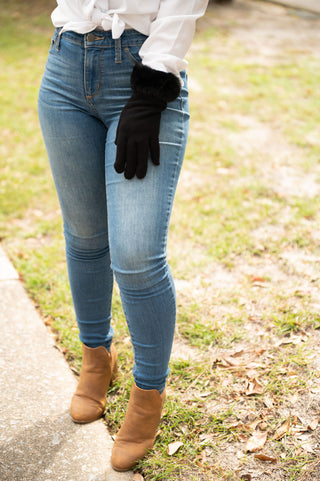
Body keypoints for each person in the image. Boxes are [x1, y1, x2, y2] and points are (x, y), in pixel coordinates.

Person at [38, 0, 208, 472]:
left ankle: (149, 392)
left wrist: (151, 92)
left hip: (144, 67)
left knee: (136, 254)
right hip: (66, 66)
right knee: (86, 235)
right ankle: (97, 358)